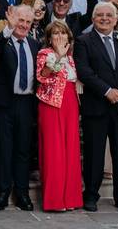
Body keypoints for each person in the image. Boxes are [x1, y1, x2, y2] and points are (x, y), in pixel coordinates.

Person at [74, 2, 118, 212]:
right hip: (97, 106)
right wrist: (108, 92)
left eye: (109, 15)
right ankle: (91, 196)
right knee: (94, 154)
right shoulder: (84, 41)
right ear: (93, 18)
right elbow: (85, 72)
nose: (104, 18)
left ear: (115, 19)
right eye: (100, 15)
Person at [0, 4, 40, 211]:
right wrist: (8, 28)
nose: (24, 25)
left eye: (28, 21)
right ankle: (3, 193)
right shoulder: (3, 40)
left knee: (23, 150)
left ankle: (22, 193)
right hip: (4, 103)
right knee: (4, 149)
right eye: (20, 20)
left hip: (26, 103)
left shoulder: (35, 44)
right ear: (12, 19)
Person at [35, 20, 83, 212]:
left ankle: (70, 198)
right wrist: (58, 57)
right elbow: (42, 76)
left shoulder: (71, 58)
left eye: (63, 33)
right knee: (53, 150)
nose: (60, 37)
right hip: (51, 105)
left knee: (70, 150)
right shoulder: (44, 54)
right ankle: (54, 200)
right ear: (49, 38)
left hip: (70, 103)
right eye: (55, 34)